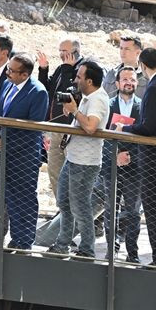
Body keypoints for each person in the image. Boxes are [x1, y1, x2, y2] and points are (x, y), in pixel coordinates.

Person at [49, 59, 110, 259]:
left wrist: (75, 110)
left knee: (80, 206)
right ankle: (63, 243)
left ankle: (87, 249)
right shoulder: (88, 96)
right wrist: (73, 110)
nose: (75, 80)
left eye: (79, 77)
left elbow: (91, 126)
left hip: (85, 162)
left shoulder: (98, 99)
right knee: (65, 203)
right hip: (74, 158)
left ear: (89, 81)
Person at [0, 52, 49, 250]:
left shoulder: (38, 92)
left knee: (24, 198)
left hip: (24, 155)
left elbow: (33, 129)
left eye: (12, 70)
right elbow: (0, 114)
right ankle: (15, 238)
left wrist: (7, 142)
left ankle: (25, 241)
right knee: (9, 198)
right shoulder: (7, 84)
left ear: (25, 74)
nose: (7, 73)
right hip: (3, 154)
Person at [124, 46, 156, 267]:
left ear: (143, 66)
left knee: (154, 209)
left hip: (155, 160)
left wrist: (125, 128)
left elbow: (147, 126)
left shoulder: (154, 87)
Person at [101, 66, 142, 262]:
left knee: (134, 212)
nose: (129, 83)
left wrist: (129, 155)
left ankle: (132, 253)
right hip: (111, 165)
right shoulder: (107, 105)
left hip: (135, 166)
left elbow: (145, 134)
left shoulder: (143, 106)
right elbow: (101, 136)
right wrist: (116, 154)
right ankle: (112, 249)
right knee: (111, 209)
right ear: (117, 83)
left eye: (132, 80)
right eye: (125, 79)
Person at [37, 38, 83, 197]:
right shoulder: (62, 68)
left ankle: (71, 208)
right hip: (55, 129)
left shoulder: (82, 69)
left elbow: (68, 92)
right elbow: (48, 88)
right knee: (54, 171)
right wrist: (43, 69)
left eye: (65, 51)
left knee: (71, 174)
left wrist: (67, 69)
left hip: (71, 131)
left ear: (75, 52)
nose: (62, 54)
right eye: (60, 51)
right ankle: (61, 207)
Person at [104, 33, 147, 100]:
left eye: (127, 49)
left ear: (138, 52)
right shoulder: (111, 74)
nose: (122, 52)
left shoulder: (146, 76)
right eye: (121, 48)